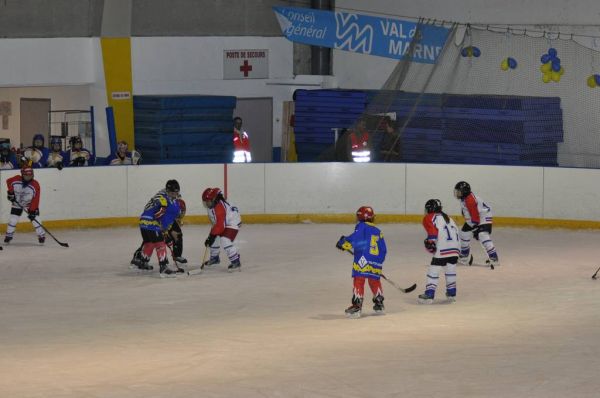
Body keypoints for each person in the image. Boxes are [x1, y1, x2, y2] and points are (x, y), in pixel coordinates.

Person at [336, 206, 387, 318]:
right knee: (374, 280)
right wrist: (378, 262)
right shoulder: (378, 231)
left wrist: (344, 242)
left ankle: (357, 306)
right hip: (376, 261)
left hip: (363, 260)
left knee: (359, 280)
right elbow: (383, 249)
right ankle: (379, 303)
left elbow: (356, 238)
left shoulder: (361, 226)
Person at [133, 180, 183, 276]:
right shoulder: (166, 201)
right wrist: (163, 233)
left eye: (176, 192)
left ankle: (143, 262)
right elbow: (159, 216)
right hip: (151, 222)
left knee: (150, 243)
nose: (174, 194)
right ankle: (163, 268)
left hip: (143, 221)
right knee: (160, 244)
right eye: (172, 193)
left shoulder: (162, 195)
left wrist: (164, 231)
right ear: (168, 191)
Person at [418, 199, 460, 304]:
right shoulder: (449, 218)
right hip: (455, 249)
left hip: (443, 248)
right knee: (450, 270)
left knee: (433, 270)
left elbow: (432, 233)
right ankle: (451, 293)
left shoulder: (429, 217)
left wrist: (430, 242)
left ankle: (429, 294)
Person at [130, 194, 187, 266]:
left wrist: (166, 236)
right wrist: (165, 237)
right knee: (153, 241)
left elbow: (166, 228)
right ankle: (139, 257)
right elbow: (162, 225)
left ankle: (176, 255)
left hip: (152, 223)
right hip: (152, 224)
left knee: (152, 241)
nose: (181, 214)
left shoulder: (172, 214)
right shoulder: (168, 213)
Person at [454, 181, 499, 267]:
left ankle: (494, 258)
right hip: (474, 219)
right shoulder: (464, 199)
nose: (457, 193)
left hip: (484, 217)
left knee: (482, 235)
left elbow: (475, 216)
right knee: (463, 234)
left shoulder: (470, 200)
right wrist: (473, 226)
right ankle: (465, 256)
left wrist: (475, 228)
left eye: (459, 191)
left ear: (464, 191)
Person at [202, 187, 242, 271]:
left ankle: (236, 261)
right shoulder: (211, 207)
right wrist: (211, 236)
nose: (206, 204)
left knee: (225, 240)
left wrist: (212, 236)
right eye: (205, 201)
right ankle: (215, 258)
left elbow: (220, 226)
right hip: (224, 221)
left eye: (208, 201)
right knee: (214, 237)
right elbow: (216, 224)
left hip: (233, 222)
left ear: (213, 199)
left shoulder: (219, 208)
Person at [4, 165, 45, 244]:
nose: (29, 177)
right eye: (26, 175)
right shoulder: (16, 179)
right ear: (22, 174)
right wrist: (11, 193)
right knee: (13, 219)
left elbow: (36, 198)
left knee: (35, 220)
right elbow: (8, 181)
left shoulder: (35, 184)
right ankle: (9, 235)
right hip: (17, 203)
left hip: (29, 204)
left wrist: (32, 211)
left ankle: (41, 235)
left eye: (30, 175)